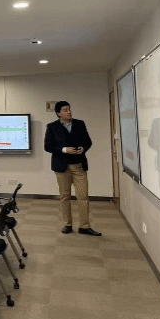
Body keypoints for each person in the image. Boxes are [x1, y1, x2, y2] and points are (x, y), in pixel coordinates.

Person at [44, 101, 100, 236]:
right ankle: (67, 224)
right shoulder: (52, 127)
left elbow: (88, 141)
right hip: (61, 167)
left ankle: (84, 226)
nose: (69, 112)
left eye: (69, 109)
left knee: (83, 196)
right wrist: (64, 149)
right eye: (65, 110)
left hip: (79, 165)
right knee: (65, 197)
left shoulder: (80, 124)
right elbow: (48, 146)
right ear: (58, 113)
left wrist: (83, 148)